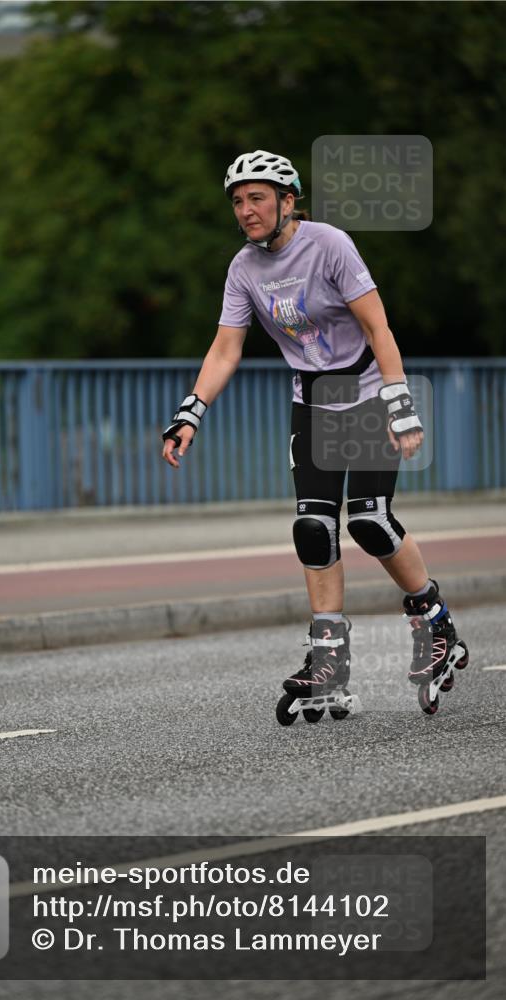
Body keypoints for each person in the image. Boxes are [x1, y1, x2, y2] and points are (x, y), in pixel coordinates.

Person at [161, 150, 468, 721]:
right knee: (312, 528)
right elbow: (226, 347)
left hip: (371, 392)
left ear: (287, 201)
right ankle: (329, 657)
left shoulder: (330, 244)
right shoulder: (243, 269)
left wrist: (400, 404)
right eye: (237, 200)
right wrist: (190, 413)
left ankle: (435, 621)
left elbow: (378, 325)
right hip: (315, 402)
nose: (245, 210)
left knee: (370, 520)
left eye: (256, 198)